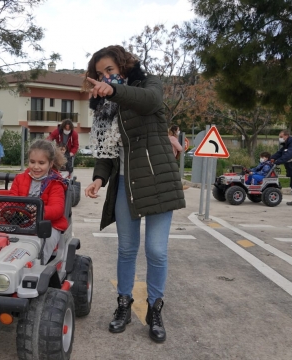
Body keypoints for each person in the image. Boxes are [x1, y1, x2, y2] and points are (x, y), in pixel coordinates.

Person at [83, 45, 185, 343]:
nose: (105, 77)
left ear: (124, 66)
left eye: (110, 70)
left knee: (156, 250)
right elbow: (109, 151)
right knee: (127, 250)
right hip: (125, 184)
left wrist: (113, 91)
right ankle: (124, 305)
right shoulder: (106, 107)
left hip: (157, 182)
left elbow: (149, 101)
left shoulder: (148, 84)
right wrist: (99, 179)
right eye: (100, 73)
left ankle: (155, 309)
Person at [8, 140, 68, 260]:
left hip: (48, 224)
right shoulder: (20, 179)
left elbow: (57, 208)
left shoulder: (56, 183)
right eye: (32, 162)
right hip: (20, 221)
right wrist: (9, 209)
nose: (36, 167)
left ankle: (38, 266)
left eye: (41, 163)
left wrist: (42, 212)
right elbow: (12, 199)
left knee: (46, 241)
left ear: (50, 164)